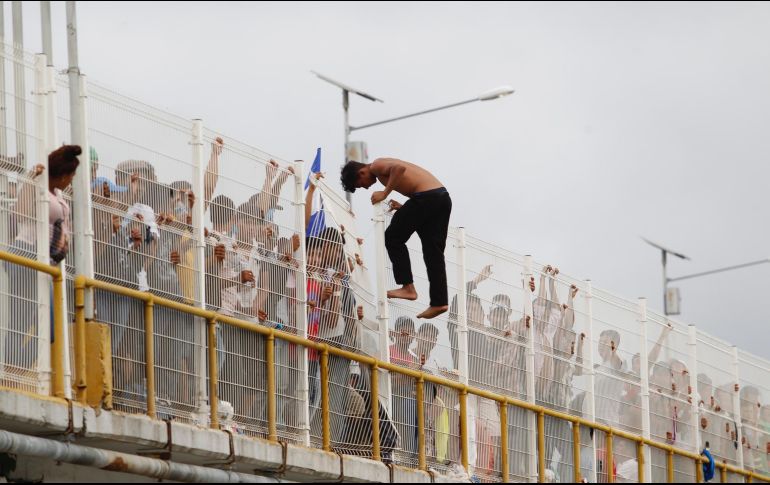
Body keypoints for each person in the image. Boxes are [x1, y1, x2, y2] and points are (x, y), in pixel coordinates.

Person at [340, 157, 451, 319]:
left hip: (426, 198)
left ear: (361, 172)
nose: (365, 187)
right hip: (441, 198)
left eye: (361, 184)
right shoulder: (381, 171)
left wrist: (384, 194)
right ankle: (439, 302)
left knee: (392, 237)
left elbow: (399, 169)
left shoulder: (376, 166)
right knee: (433, 251)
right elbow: (412, 182)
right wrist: (405, 208)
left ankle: (407, 287)